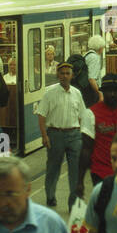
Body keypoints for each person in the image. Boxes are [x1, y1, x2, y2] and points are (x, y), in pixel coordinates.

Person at [36, 61, 87, 207]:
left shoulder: (77, 94)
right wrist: (44, 135)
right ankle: (50, 196)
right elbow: (41, 115)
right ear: (58, 75)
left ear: (72, 76)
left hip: (74, 135)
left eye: (67, 73)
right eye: (62, 73)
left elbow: (82, 115)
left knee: (75, 170)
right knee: (53, 168)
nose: (64, 76)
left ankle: (73, 202)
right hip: (55, 135)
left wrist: (82, 135)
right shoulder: (50, 93)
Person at [82, 34, 106, 103]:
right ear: (100, 48)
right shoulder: (94, 58)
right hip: (91, 92)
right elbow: (92, 79)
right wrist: (99, 93)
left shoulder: (87, 55)